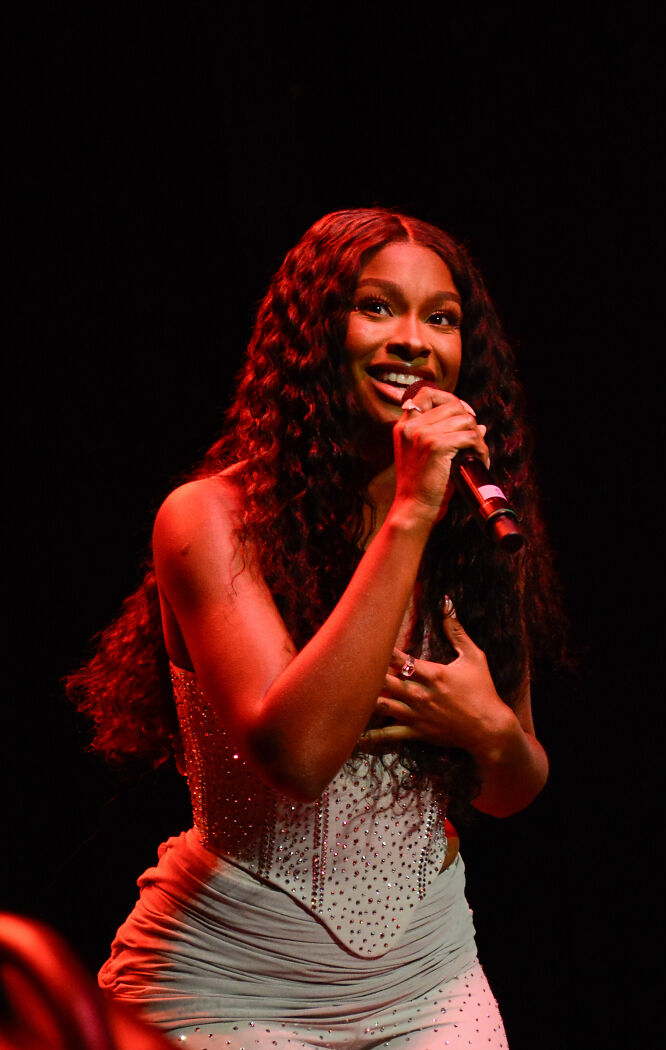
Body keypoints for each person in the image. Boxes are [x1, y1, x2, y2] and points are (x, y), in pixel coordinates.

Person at [66, 208, 564, 1048]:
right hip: (236, 979)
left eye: (440, 319)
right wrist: (409, 511)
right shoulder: (209, 520)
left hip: (427, 975)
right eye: (378, 307)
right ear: (313, 335)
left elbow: (512, 786)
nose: (414, 340)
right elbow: (295, 756)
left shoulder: (479, 529)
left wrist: (487, 731)